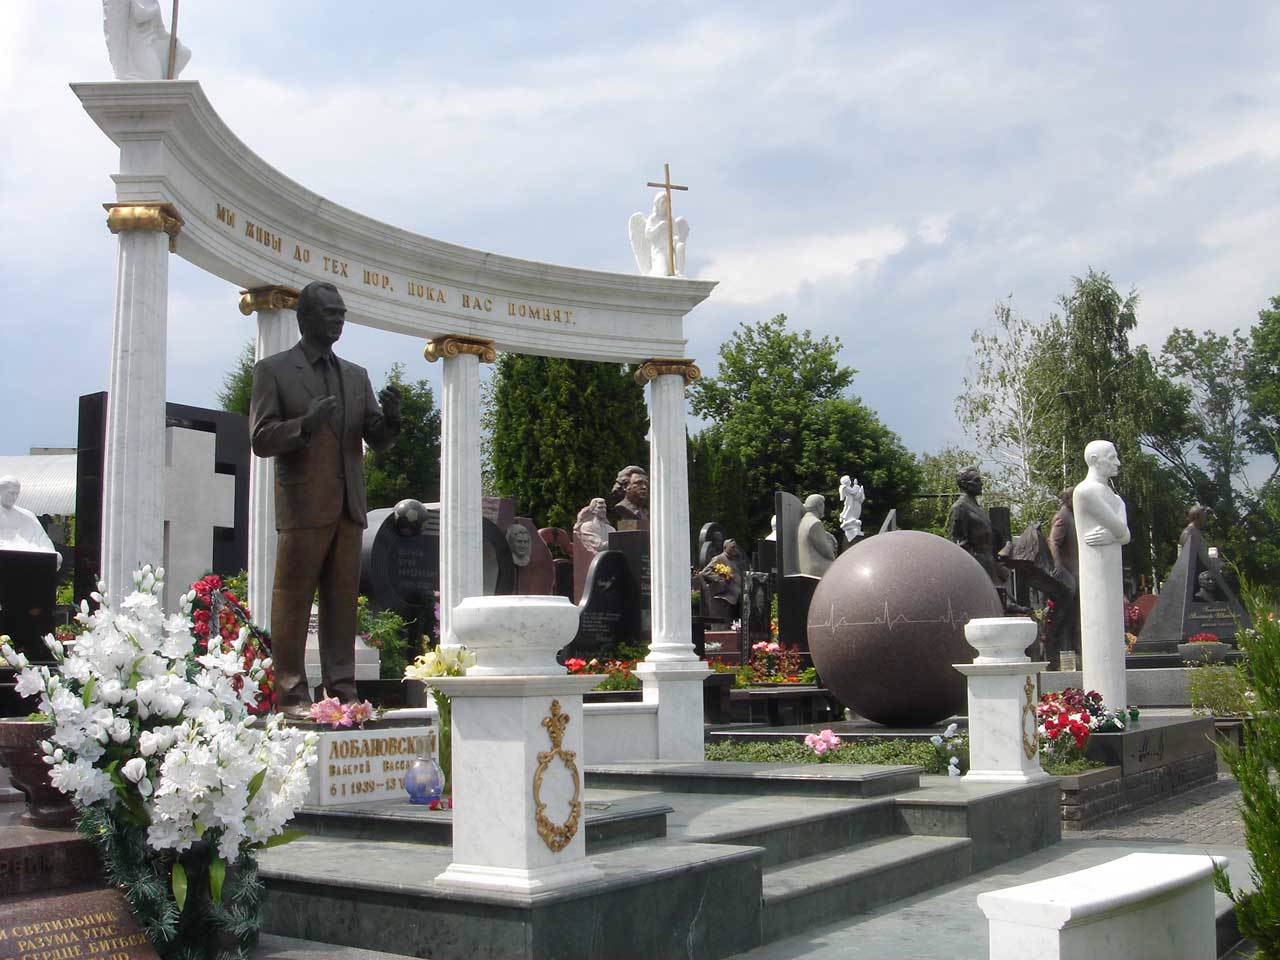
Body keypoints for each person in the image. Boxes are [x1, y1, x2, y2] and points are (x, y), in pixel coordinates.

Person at [250, 281, 401, 720]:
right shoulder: (274, 370)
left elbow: (376, 437)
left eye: (342, 313)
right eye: (330, 313)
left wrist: (390, 419)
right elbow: (260, 438)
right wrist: (306, 425)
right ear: (306, 318)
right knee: (292, 599)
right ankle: (293, 693)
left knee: (341, 601)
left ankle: (343, 691)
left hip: (348, 508)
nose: (339, 320)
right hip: (302, 506)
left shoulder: (356, 375)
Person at [946, 467, 1007, 589]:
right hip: (976, 566)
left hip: (989, 563)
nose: (981, 483)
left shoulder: (976, 507)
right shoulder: (960, 507)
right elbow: (956, 544)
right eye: (977, 480)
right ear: (964, 484)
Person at [0, 476, 61, 569]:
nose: (14, 497)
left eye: (17, 493)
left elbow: (44, 542)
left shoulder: (28, 515)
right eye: (11, 493)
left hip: (28, 561)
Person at [700, 538, 749, 622]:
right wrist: (718, 578)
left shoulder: (734, 560)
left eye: (735, 547)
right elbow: (705, 572)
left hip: (737, 597)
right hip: (726, 597)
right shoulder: (719, 558)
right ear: (725, 548)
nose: (735, 549)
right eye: (732, 547)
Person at [796, 494, 837, 577]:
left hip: (803, 568)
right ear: (819, 506)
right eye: (823, 505)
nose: (823, 509)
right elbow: (826, 552)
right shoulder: (815, 523)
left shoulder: (802, 521)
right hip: (816, 569)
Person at [838, 475, 865, 543]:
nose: (850, 481)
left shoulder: (848, 487)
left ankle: (851, 520)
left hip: (852, 501)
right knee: (849, 510)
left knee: (852, 512)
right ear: (847, 481)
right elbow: (853, 491)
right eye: (849, 480)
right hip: (849, 501)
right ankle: (848, 519)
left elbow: (856, 495)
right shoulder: (846, 488)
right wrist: (856, 485)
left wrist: (860, 491)